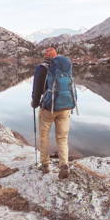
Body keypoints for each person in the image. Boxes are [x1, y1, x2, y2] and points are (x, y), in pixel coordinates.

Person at [31, 47, 77, 179]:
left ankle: (45, 165)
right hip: (65, 107)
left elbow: (37, 89)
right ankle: (64, 165)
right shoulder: (65, 67)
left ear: (46, 56)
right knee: (62, 137)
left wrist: (34, 103)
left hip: (48, 108)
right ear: (56, 56)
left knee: (44, 136)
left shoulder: (42, 68)